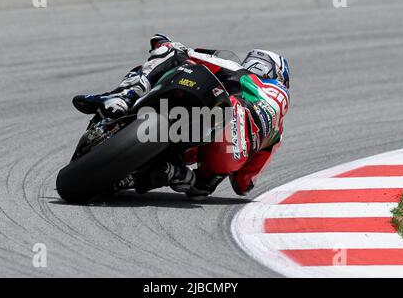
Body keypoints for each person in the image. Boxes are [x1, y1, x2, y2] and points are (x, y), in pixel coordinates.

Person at [73, 34, 290, 198]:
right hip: (225, 156)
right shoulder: (277, 132)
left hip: (226, 114)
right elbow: (243, 185)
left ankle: (123, 97)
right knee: (201, 187)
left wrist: (164, 44)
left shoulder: (239, 72)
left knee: (171, 49)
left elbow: (187, 54)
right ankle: (175, 173)